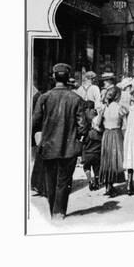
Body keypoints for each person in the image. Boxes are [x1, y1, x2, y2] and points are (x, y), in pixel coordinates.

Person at [31, 63, 88, 219]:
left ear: (54, 77)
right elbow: (83, 126)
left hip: (48, 147)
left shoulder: (44, 97)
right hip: (69, 147)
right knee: (64, 181)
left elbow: (35, 122)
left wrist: (38, 139)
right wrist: (79, 139)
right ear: (68, 78)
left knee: (50, 180)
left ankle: (52, 211)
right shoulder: (76, 99)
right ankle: (59, 211)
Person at [98, 86, 129, 197]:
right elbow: (125, 124)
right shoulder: (121, 108)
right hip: (116, 133)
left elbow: (98, 124)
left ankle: (108, 185)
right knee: (115, 159)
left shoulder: (103, 108)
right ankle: (112, 184)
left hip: (106, 134)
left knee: (106, 159)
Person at [81, 100, 102, 191]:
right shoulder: (96, 117)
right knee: (97, 167)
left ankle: (90, 182)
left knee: (86, 167)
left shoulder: (84, 118)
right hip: (97, 151)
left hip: (87, 152)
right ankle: (97, 182)